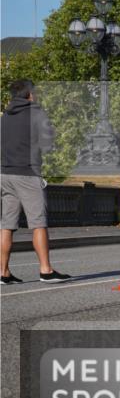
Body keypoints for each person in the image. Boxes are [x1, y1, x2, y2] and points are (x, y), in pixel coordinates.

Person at [1, 79, 70, 284]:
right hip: (28, 174)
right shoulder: (37, 113)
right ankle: (46, 270)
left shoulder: (4, 117)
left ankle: (3, 272)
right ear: (29, 94)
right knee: (38, 222)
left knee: (6, 224)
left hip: (4, 174)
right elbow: (48, 145)